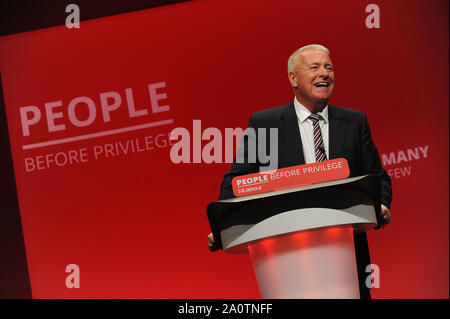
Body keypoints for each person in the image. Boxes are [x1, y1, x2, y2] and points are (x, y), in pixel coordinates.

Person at [207, 44, 392, 299]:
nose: (324, 73)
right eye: (314, 67)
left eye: (329, 67)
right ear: (293, 78)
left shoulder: (354, 121)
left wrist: (381, 203)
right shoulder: (266, 124)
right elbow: (235, 181)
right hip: (288, 256)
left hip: (346, 248)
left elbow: (377, 175)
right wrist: (222, 226)